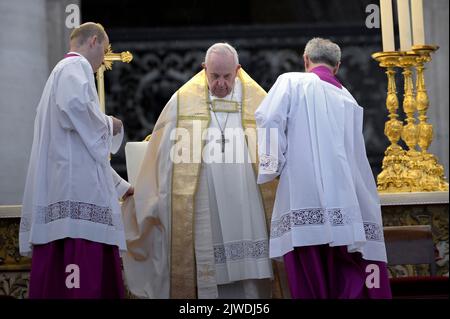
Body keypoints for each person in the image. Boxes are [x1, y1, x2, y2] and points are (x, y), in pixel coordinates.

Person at [121, 43, 282, 299]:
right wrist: (147, 195)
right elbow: (162, 157)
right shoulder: (183, 101)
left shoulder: (260, 102)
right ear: (204, 69)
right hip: (207, 204)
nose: (220, 83)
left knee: (251, 280)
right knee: (212, 273)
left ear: (238, 70)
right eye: (214, 76)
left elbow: (278, 151)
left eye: (227, 76)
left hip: (247, 201)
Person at [255, 38, 392, 299]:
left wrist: (273, 166)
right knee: (341, 273)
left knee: (309, 277)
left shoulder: (291, 81)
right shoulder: (347, 98)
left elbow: (269, 118)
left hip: (303, 196)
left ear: (305, 60)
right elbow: (355, 157)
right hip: (344, 201)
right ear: (337, 66)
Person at [19, 22, 133, 299]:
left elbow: (80, 150)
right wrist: (110, 124)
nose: (102, 63)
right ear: (93, 41)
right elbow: (75, 108)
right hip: (75, 200)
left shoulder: (60, 73)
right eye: (104, 52)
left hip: (70, 191)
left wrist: (120, 186)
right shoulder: (74, 67)